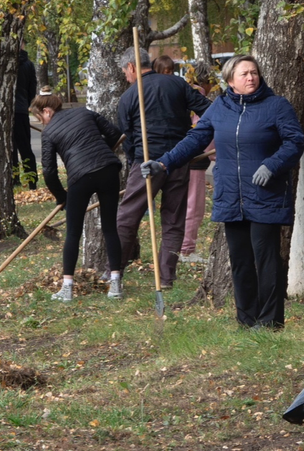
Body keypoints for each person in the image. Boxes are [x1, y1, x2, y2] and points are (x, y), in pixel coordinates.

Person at [147, 55, 304, 328]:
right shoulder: (220, 106)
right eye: (244, 74)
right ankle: (246, 319)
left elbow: (295, 141)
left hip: (264, 194)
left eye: (254, 72)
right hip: (231, 194)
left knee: (266, 259)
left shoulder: (276, 106)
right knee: (241, 260)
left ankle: (270, 321)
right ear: (230, 80)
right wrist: (164, 162)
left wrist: (272, 165)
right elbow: (196, 138)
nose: (251, 78)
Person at [115, 49, 210, 287]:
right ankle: (166, 276)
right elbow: (209, 111)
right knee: (174, 219)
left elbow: (127, 137)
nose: (126, 77)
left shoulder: (128, 96)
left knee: (127, 217)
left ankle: (114, 271)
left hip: (146, 163)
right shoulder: (178, 84)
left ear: (132, 67)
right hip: (178, 159)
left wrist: (134, 161)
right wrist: (192, 140)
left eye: (125, 72)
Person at [33, 92, 124, 300]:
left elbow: (48, 171)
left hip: (81, 177)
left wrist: (61, 196)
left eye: (40, 118)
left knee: (73, 232)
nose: (42, 122)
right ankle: (116, 284)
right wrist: (100, 151)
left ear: (47, 111)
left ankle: (67, 288)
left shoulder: (48, 133)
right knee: (110, 227)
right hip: (108, 169)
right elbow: (114, 133)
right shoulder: (84, 112)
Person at [180, 66, 218, 261]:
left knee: (179, 205)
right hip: (194, 160)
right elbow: (205, 132)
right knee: (194, 206)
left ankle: (180, 247)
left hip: (179, 159)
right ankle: (186, 250)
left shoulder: (182, 95)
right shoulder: (200, 101)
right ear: (207, 82)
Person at [12, 48, 39, 189]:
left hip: (7, 109)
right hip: (21, 109)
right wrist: (27, 103)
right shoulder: (28, 64)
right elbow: (32, 87)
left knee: (10, 148)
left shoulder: (4, 61)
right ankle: (31, 180)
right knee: (25, 148)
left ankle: (14, 178)